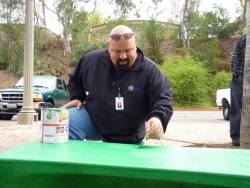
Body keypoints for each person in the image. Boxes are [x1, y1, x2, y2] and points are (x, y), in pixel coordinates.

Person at [62, 25, 173, 144]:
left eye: (128, 50)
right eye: (118, 51)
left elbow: (163, 97)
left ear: (135, 44)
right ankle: (75, 161)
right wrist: (77, 97)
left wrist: (157, 117)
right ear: (109, 46)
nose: (123, 56)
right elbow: (75, 79)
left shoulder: (150, 70)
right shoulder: (92, 60)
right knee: (64, 121)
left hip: (129, 132)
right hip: (94, 121)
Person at [229, 27, 246, 146]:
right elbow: (239, 44)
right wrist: (246, 34)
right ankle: (236, 137)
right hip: (239, 78)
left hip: (247, 79)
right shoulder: (240, 44)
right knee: (237, 109)